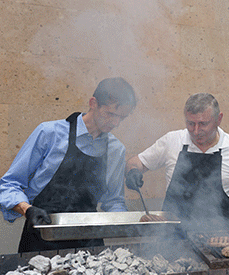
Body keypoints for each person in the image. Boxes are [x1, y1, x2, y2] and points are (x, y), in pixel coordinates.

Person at [0, 77, 136, 252]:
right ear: (93, 103)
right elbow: (9, 184)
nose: (115, 123)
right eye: (110, 114)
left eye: (122, 118)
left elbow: (113, 201)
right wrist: (27, 209)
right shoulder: (49, 133)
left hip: (89, 243)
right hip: (42, 239)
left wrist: (132, 222)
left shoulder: (116, 150)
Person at [126, 93, 229, 231]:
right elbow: (134, 163)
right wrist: (132, 172)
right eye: (190, 123)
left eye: (203, 124)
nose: (196, 131)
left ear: (219, 119)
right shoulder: (172, 141)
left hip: (218, 235)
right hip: (171, 237)